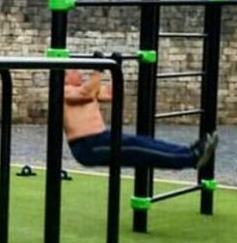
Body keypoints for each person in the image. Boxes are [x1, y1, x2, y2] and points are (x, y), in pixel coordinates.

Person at [63, 69, 218, 169]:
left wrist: (115, 68)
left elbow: (111, 94)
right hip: (87, 147)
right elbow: (86, 93)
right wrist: (97, 71)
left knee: (145, 142)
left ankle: (190, 151)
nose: (80, 74)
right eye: (74, 71)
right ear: (64, 76)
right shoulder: (62, 90)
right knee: (140, 149)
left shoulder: (84, 89)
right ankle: (191, 159)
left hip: (101, 139)